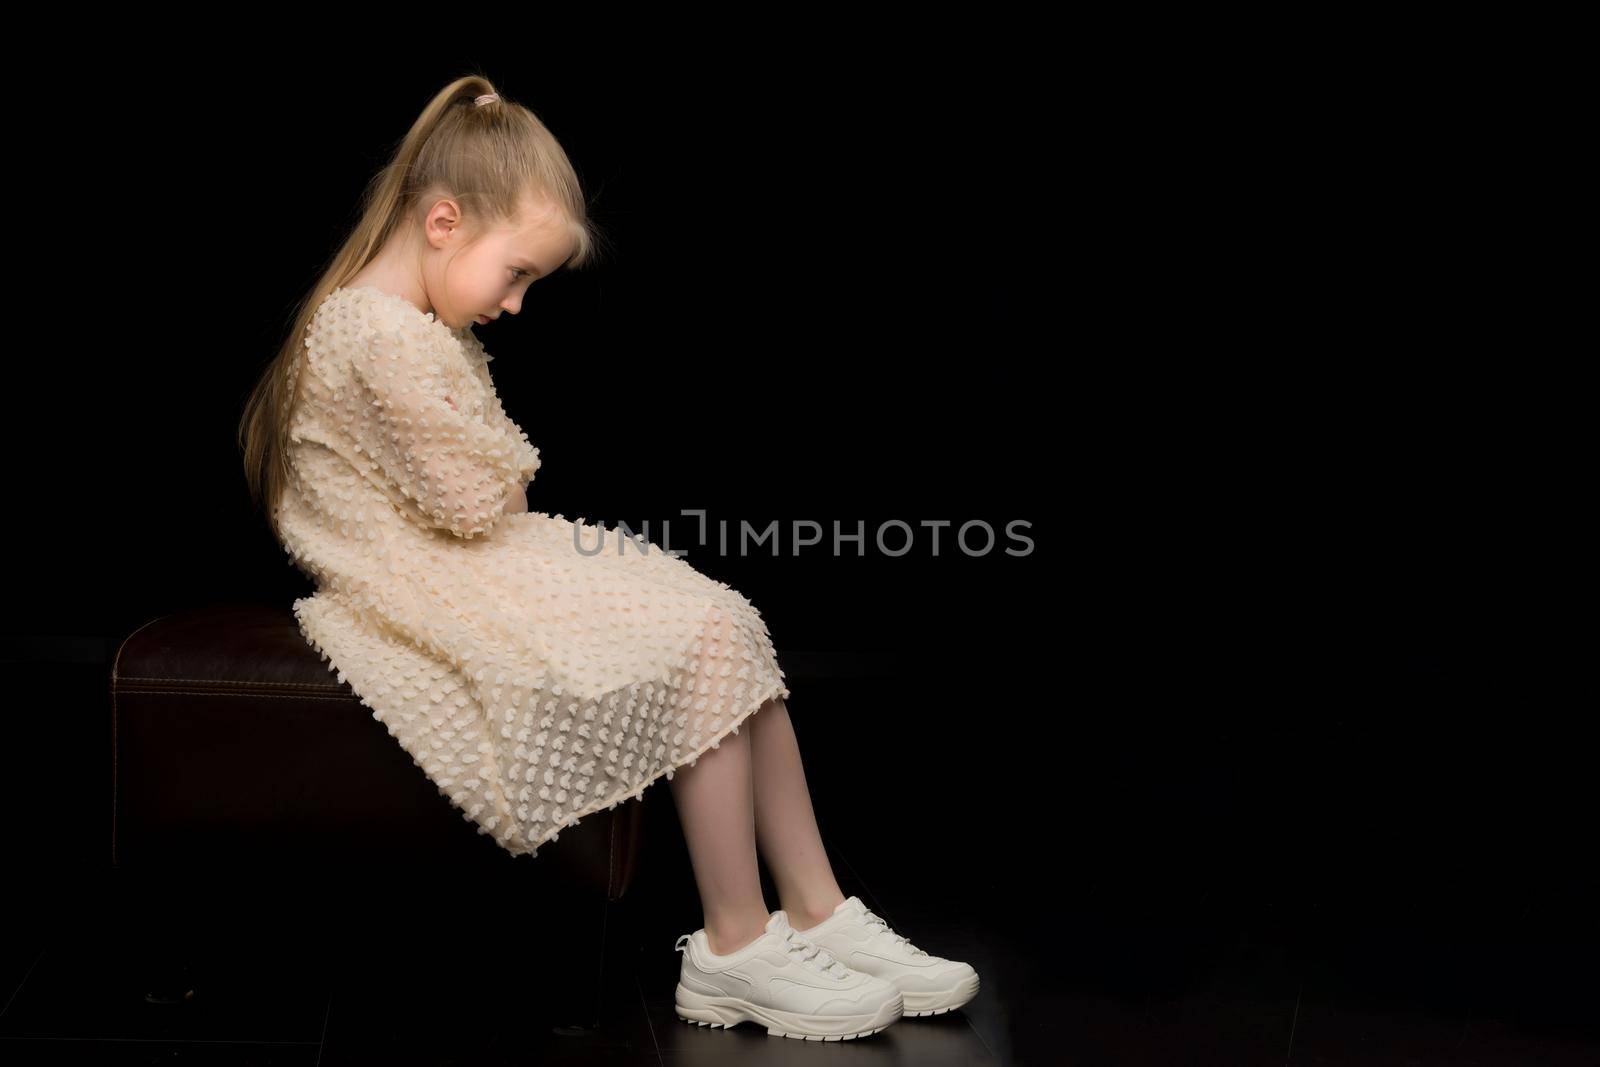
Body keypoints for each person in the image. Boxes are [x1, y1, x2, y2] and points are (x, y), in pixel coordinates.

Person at [238, 75, 977, 1041]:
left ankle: (820, 909)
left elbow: (489, 482)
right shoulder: (376, 334)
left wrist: (495, 467)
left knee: (726, 617)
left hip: (463, 553)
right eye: (515, 275)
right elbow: (479, 498)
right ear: (444, 222)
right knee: (700, 634)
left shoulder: (404, 325)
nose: (515, 304)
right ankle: (733, 945)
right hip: (423, 574)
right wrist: (497, 469)